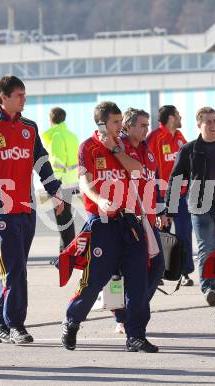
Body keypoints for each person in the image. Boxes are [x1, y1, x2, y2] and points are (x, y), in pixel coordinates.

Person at [0, 75, 64, 345]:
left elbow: (41, 161)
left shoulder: (30, 127)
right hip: (1, 211)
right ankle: (16, 325)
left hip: (27, 208)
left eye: (24, 94)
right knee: (16, 268)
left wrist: (54, 190)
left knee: (12, 268)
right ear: (3, 97)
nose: (24, 99)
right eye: (19, 95)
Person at [61, 101, 158, 353]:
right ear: (102, 123)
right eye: (115, 122)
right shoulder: (87, 147)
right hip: (102, 223)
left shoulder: (123, 145)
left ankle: (135, 334)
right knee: (94, 280)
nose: (120, 126)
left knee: (138, 281)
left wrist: (115, 150)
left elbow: (138, 170)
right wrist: (98, 199)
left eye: (120, 122)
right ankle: (72, 321)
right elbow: (83, 182)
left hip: (129, 221)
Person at [166, 107, 215, 306]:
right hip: (199, 205)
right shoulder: (189, 150)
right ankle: (207, 287)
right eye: (208, 122)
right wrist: (169, 209)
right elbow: (175, 180)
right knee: (206, 246)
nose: (213, 125)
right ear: (199, 125)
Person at [112, 107, 166, 334]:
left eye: (147, 124)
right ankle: (123, 316)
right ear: (128, 125)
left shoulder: (148, 150)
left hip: (149, 218)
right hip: (126, 220)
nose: (147, 129)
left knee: (157, 267)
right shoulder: (117, 148)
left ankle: (133, 309)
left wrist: (162, 210)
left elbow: (156, 180)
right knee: (123, 273)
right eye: (142, 125)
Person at [146, 105, 194, 286]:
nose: (181, 117)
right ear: (172, 118)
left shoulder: (180, 138)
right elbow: (149, 165)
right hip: (160, 193)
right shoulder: (155, 137)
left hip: (179, 194)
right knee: (160, 234)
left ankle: (185, 271)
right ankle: (158, 272)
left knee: (184, 233)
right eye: (178, 114)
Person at [42, 107, 79, 253]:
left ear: (51, 120)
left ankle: (68, 249)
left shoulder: (56, 136)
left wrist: (53, 183)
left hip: (59, 181)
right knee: (66, 215)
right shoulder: (71, 135)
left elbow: (57, 161)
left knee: (61, 216)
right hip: (71, 180)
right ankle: (66, 247)